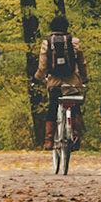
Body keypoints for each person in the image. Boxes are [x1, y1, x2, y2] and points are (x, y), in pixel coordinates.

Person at [36, 15, 88, 149]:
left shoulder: (47, 43)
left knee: (52, 109)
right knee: (75, 108)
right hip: (72, 83)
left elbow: (42, 66)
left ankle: (49, 140)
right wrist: (84, 78)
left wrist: (38, 77)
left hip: (55, 84)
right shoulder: (74, 42)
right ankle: (75, 135)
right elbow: (82, 63)